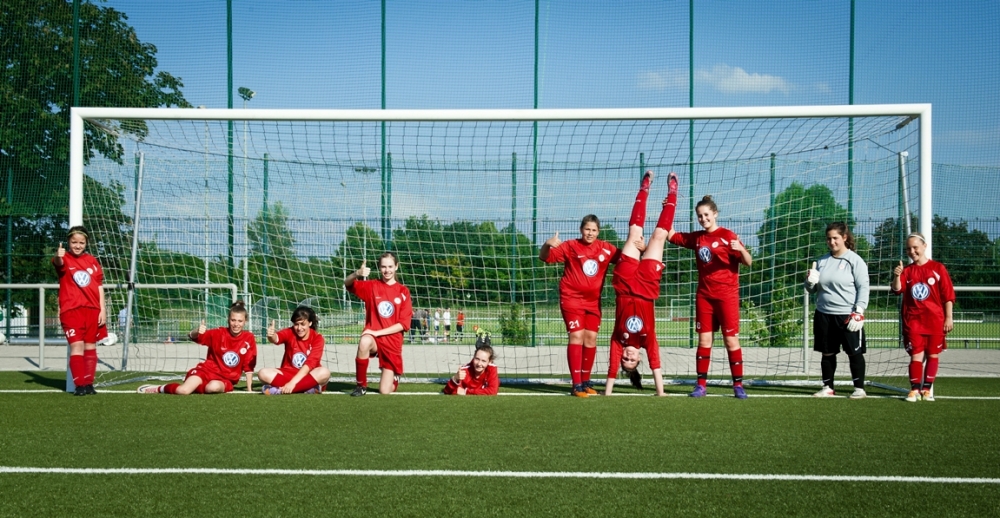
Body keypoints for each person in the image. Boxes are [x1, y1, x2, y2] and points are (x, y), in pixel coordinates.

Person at [667, 195, 753, 399]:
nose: (703, 219)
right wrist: (668, 207)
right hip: (704, 297)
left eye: (706, 215)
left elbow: (748, 262)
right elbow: (671, 235)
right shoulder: (697, 238)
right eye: (699, 216)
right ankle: (700, 386)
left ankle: (738, 385)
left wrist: (741, 249)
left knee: (730, 341)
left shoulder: (727, 235)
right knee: (704, 341)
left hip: (727, 297)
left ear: (715, 214)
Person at [604, 170, 678, 397]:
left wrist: (607, 393)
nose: (628, 356)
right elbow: (656, 365)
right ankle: (673, 193)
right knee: (659, 236)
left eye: (624, 359)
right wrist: (660, 393)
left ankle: (644, 187)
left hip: (625, 282)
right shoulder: (648, 341)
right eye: (632, 360)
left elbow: (611, 368)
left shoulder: (618, 340)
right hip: (647, 285)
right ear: (639, 359)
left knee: (634, 233)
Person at [539, 213, 619, 398]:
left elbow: (626, 257)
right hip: (571, 298)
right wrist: (547, 244)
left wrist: (643, 249)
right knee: (577, 336)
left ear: (598, 232)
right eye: (587, 229)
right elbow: (544, 257)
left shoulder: (606, 249)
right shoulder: (570, 246)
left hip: (593, 302)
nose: (590, 233)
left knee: (591, 338)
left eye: (593, 230)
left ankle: (585, 382)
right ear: (581, 230)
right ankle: (576, 385)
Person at [805, 222, 870, 399]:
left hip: (847, 315)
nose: (831, 242)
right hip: (824, 314)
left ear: (844, 238)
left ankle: (859, 388)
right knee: (827, 352)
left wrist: (859, 311)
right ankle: (828, 387)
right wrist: (809, 282)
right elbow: (812, 289)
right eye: (829, 238)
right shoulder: (821, 261)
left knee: (854, 352)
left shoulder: (855, 260)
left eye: (835, 238)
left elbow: (863, 287)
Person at [138, 301, 257, 395]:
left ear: (245, 322)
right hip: (206, 371)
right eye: (233, 320)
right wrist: (197, 330)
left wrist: (249, 389)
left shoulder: (249, 338)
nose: (236, 324)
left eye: (240, 321)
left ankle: (196, 387)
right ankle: (159, 388)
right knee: (183, 391)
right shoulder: (218, 333)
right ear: (228, 320)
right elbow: (193, 336)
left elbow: (248, 366)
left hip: (225, 379)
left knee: (212, 387)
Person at [891, 233, 955, 402]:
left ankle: (926, 390)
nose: (912, 251)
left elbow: (947, 296)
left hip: (935, 320)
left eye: (915, 247)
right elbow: (897, 290)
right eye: (908, 249)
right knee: (916, 356)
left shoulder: (938, 268)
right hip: (913, 321)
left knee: (933, 355)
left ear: (924, 246)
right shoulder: (907, 270)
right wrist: (897, 276)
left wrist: (949, 317)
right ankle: (914, 390)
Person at [345, 252, 413, 396]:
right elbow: (347, 283)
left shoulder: (403, 291)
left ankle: (394, 377)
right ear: (379, 268)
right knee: (364, 341)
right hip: (374, 339)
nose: (387, 270)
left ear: (396, 267)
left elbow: (403, 325)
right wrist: (357, 273)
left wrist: (377, 332)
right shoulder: (372, 286)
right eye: (383, 267)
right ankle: (361, 386)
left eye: (390, 266)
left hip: (392, 342)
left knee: (384, 391)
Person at [53, 226, 107, 396]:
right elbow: (59, 264)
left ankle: (89, 384)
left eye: (81, 243)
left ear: (86, 243)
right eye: (74, 242)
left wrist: (102, 309)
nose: (77, 245)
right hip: (71, 310)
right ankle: (79, 385)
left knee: (90, 346)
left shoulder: (92, 261)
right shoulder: (64, 258)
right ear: (68, 242)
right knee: (77, 345)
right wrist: (58, 256)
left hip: (92, 309)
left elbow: (99, 286)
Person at [257, 306, 331, 395]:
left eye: (302, 324)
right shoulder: (290, 332)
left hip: (309, 375)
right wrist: (271, 335)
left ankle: (280, 390)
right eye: (296, 324)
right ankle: (307, 388)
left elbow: (310, 364)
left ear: (310, 323)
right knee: (262, 373)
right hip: (288, 373)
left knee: (324, 372)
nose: (299, 328)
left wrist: (292, 383)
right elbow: (276, 339)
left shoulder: (317, 338)